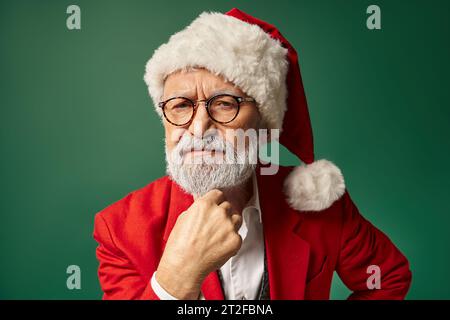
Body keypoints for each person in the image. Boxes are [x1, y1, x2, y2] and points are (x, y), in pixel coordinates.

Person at [93, 8, 412, 300]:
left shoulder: (320, 205)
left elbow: (388, 278)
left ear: (262, 120)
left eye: (224, 103)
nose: (200, 127)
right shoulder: (119, 230)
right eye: (180, 105)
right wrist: (174, 281)